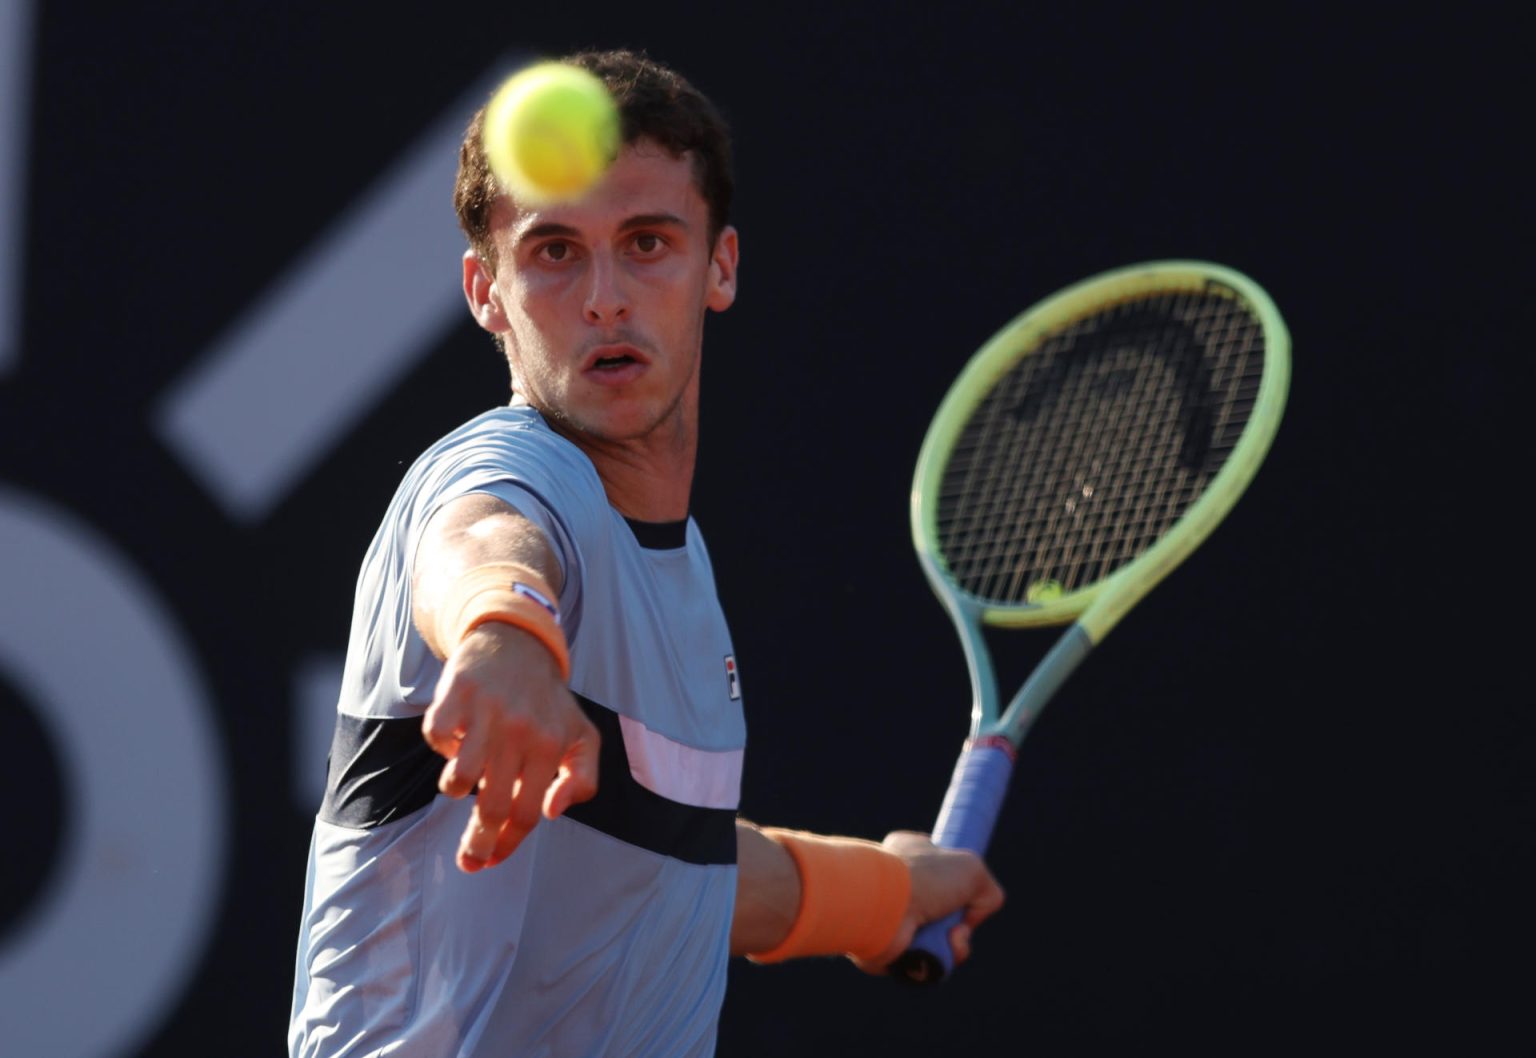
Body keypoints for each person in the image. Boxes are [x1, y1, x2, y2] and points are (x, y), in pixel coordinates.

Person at [288, 46, 1004, 1057]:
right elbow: (483, 537)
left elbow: (678, 868)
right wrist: (502, 635)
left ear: (721, 265)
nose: (605, 297)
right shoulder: (499, 470)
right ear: (485, 293)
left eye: (648, 242)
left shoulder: (679, 567)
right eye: (553, 253)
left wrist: (884, 892)